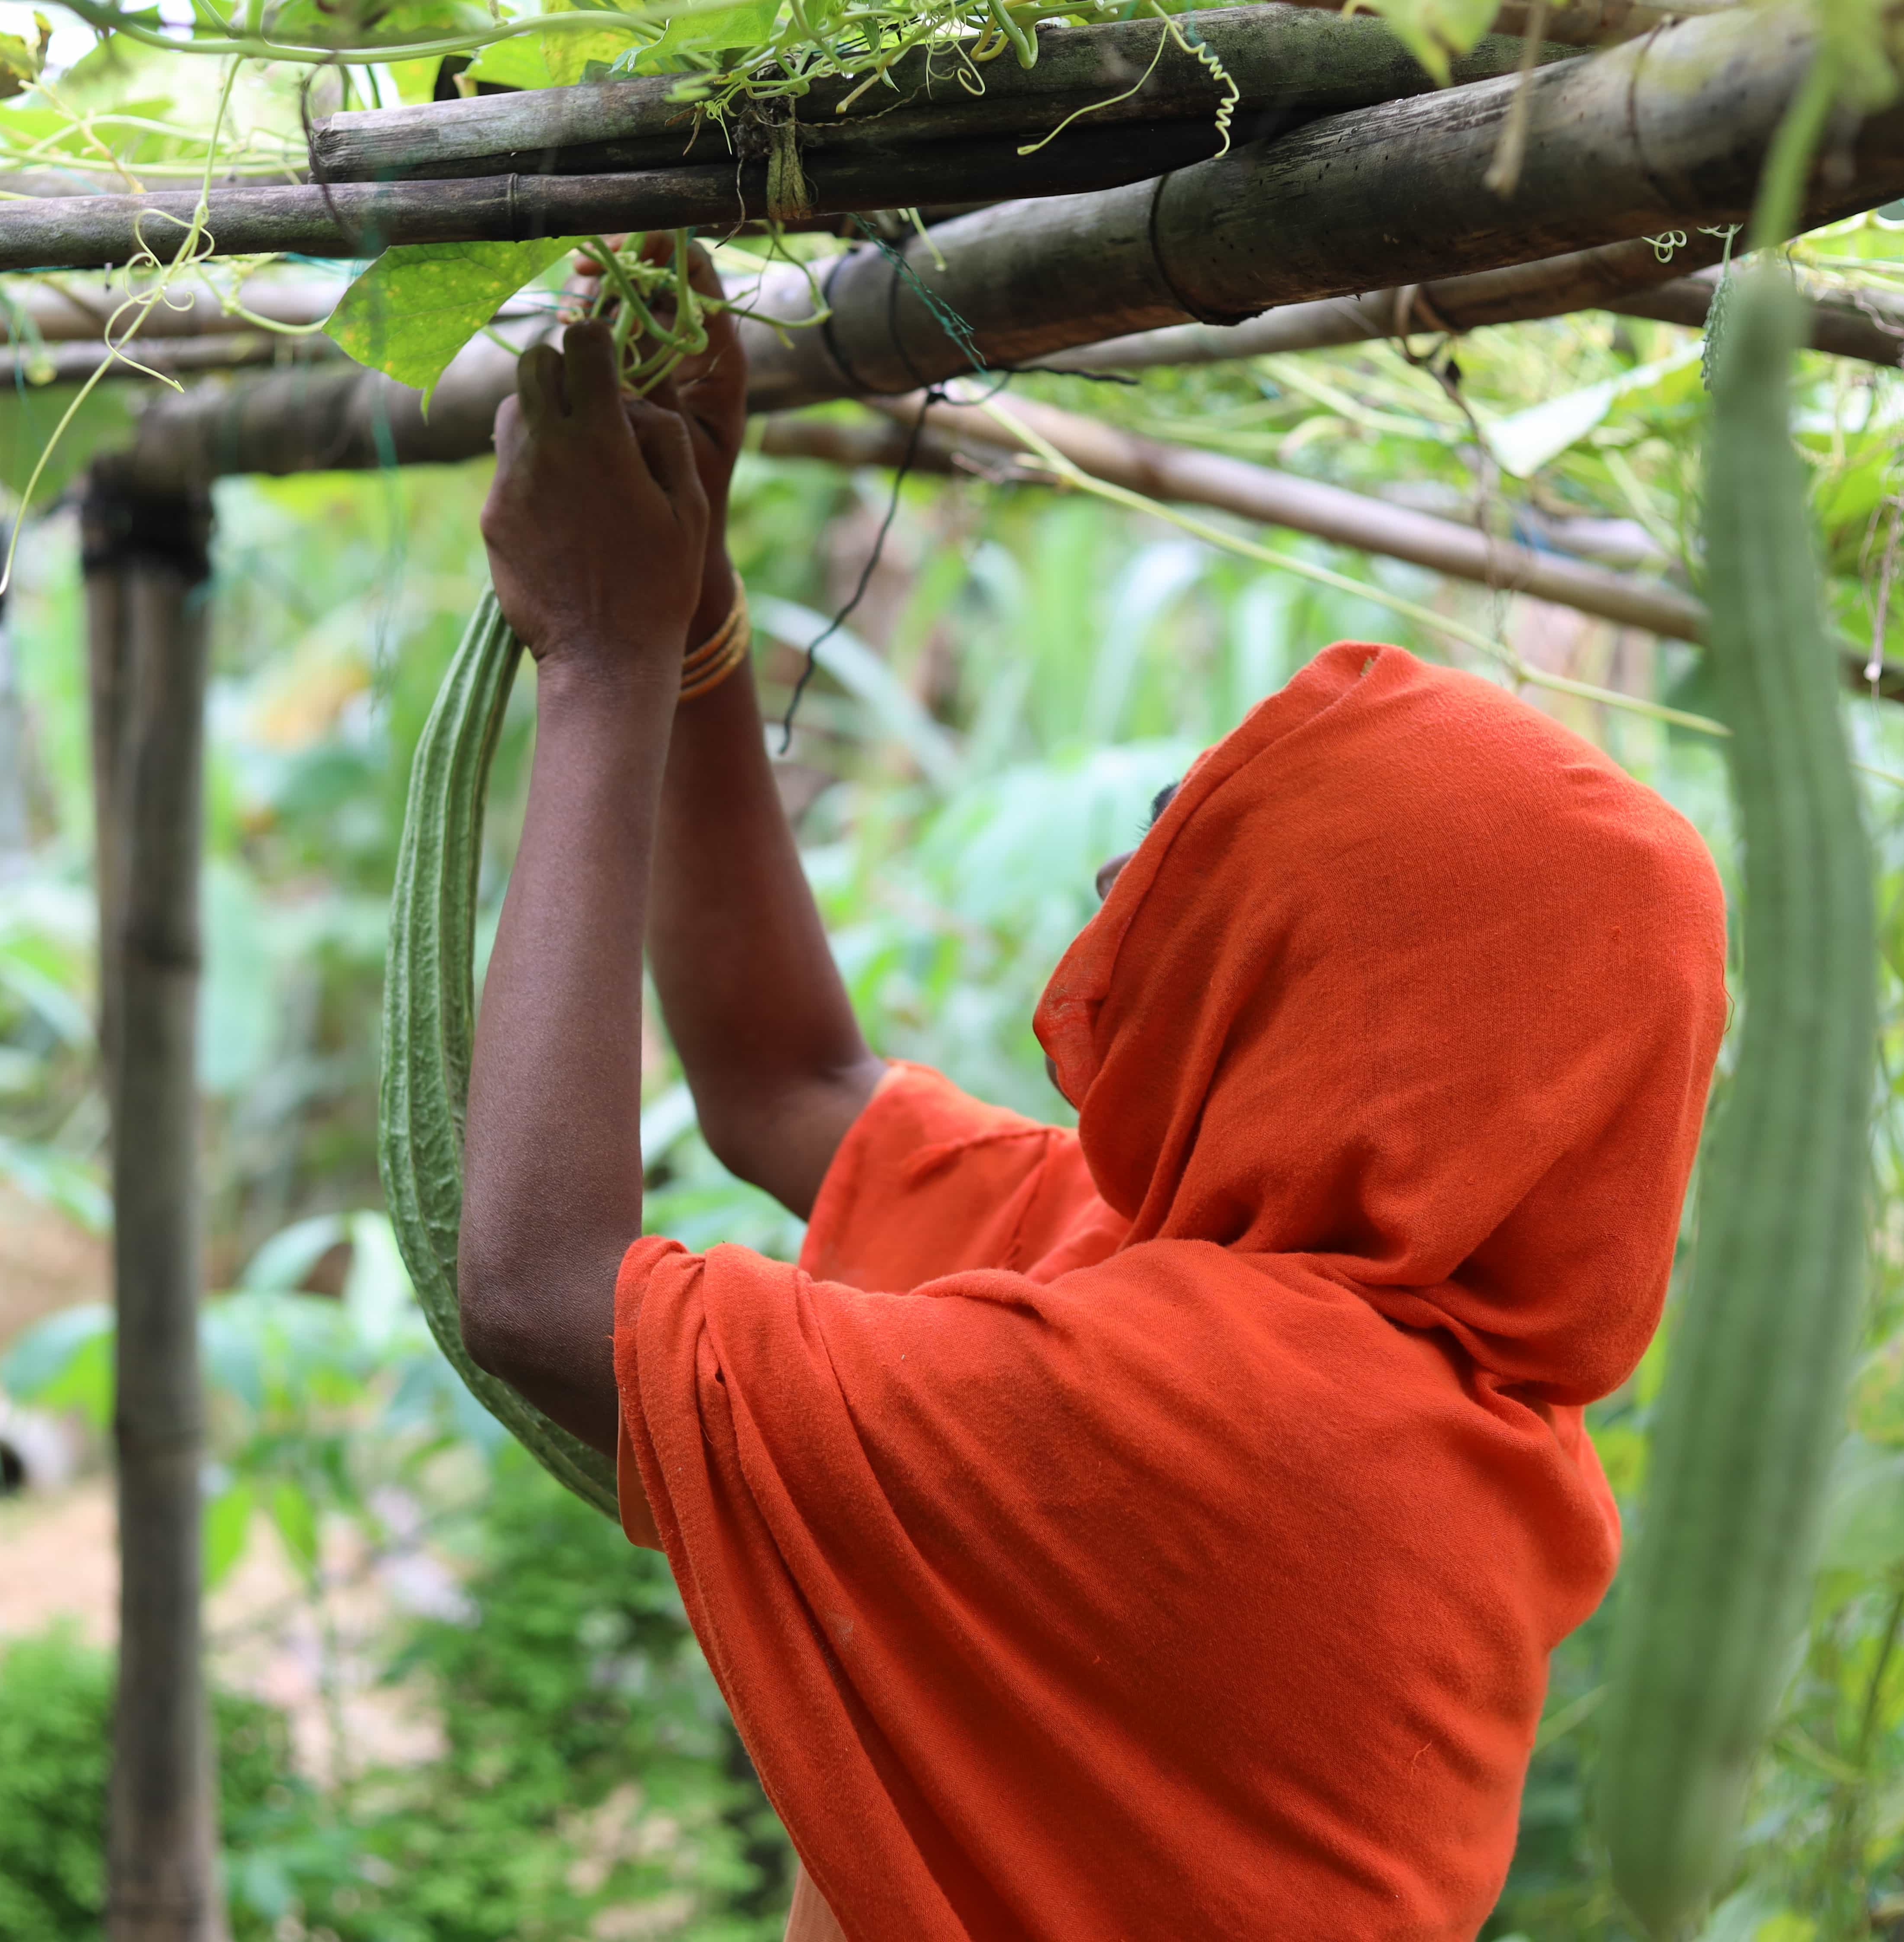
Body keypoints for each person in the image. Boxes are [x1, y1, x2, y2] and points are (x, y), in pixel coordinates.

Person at [455, 252, 1731, 1941]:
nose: (1131, 869)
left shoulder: (1265, 1430)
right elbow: (786, 1086)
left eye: (1214, 850)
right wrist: (689, 613)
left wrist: (597, 659)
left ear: (1349, 1004)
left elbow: (543, 1295)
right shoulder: (1307, 1321)